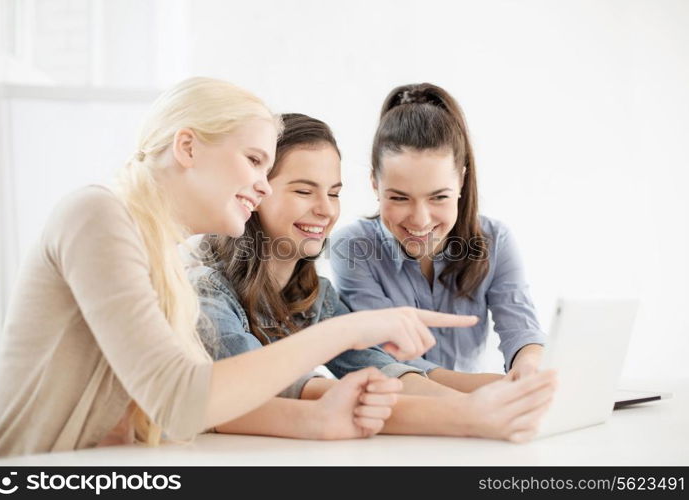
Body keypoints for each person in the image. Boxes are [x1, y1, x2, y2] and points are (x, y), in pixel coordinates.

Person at [0, 78, 469, 458]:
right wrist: (351, 329)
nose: (262, 187)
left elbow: (196, 413)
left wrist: (321, 422)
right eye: (255, 161)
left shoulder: (163, 260)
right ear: (188, 148)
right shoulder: (98, 214)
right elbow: (181, 399)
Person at [192, 113, 556, 442]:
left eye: (334, 193)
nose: (325, 209)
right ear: (256, 191)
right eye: (304, 191)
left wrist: (503, 392)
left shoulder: (315, 295)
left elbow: (384, 368)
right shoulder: (206, 289)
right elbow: (273, 388)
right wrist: (467, 413)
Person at [330, 83, 547, 388]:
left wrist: (529, 367)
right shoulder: (352, 247)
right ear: (374, 184)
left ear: (461, 180)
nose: (420, 220)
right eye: (399, 198)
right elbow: (386, 359)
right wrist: (492, 386)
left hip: (482, 414)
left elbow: (522, 329)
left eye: (438, 197)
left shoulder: (495, 239)